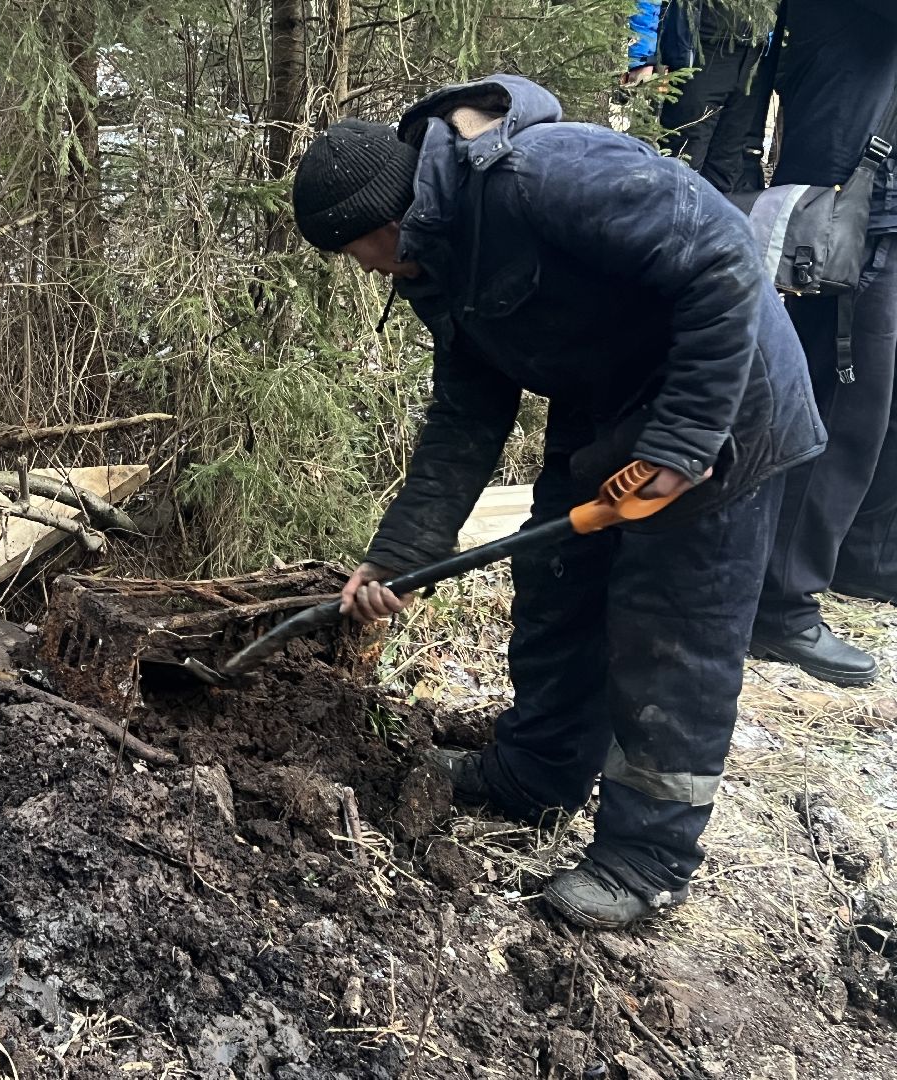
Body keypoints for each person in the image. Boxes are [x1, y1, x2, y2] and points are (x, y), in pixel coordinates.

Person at [290, 75, 824, 930]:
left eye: (359, 251)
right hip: (609, 414)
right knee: (556, 585)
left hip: (727, 406)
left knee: (670, 633)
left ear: (388, 217)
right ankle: (537, 774)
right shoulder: (434, 259)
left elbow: (724, 256)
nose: (366, 269)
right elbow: (466, 414)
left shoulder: (545, 174)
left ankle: (648, 856)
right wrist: (401, 555)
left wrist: (684, 440)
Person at [749, 1, 897, 685]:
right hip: (850, 214)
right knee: (843, 409)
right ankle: (778, 602)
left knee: (881, 406)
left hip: (876, 204)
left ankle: (865, 558)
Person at [627, 1, 773, 194]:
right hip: (698, 50)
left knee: (726, 166)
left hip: (755, 56)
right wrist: (642, 55)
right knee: (683, 162)